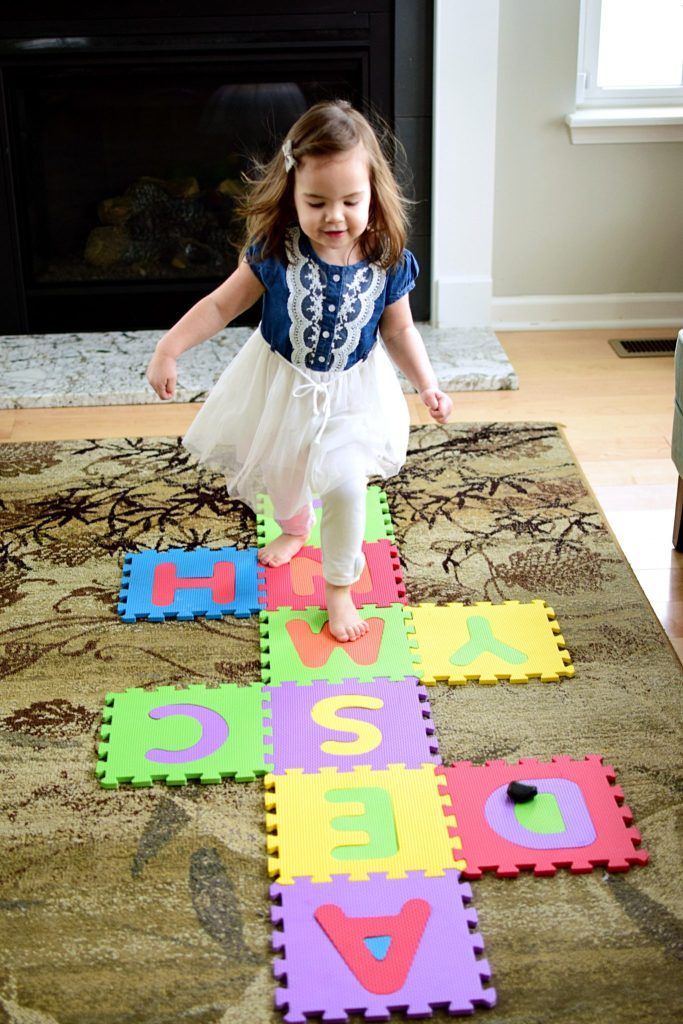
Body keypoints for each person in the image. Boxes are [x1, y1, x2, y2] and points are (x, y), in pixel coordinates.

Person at [146, 100, 452, 642]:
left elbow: (399, 330)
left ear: (373, 193)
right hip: (283, 385)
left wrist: (427, 384)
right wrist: (170, 348)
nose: (335, 217)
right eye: (316, 202)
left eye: (351, 201)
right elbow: (220, 306)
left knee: (345, 487)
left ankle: (339, 586)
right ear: (292, 193)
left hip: (353, 395)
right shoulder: (275, 252)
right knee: (284, 476)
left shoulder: (386, 256)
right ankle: (293, 525)